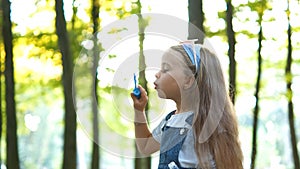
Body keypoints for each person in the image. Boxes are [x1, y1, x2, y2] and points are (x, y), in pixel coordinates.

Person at [130, 41, 243, 169]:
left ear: (188, 81)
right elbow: (145, 146)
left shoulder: (202, 126)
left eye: (166, 69)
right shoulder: (171, 120)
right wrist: (139, 111)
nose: (157, 74)